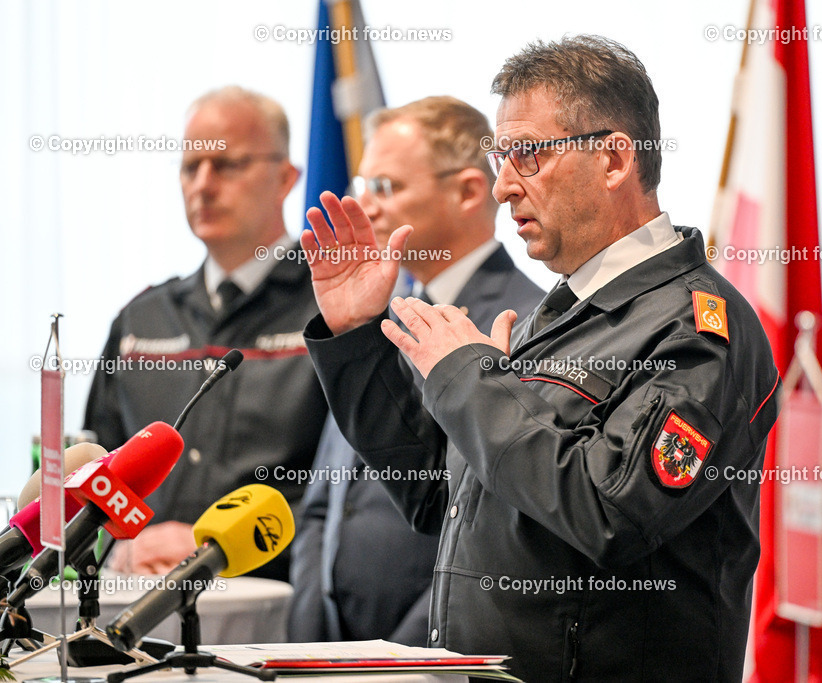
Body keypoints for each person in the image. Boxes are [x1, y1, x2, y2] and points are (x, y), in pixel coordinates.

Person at [302, 36, 780, 681]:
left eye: (525, 154)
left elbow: (609, 511)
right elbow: (438, 496)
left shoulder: (697, 328)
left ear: (613, 159)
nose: (503, 187)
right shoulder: (553, 316)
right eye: (501, 157)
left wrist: (470, 378)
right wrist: (358, 337)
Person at [287, 96, 543, 645]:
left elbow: (491, 517)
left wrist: (407, 657)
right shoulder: (368, 313)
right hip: (328, 643)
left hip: (432, 655)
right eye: (363, 183)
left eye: (387, 187)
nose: (365, 205)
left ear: (470, 190)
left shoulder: (525, 321)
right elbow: (323, 500)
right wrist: (310, 625)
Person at [84, 86, 326, 581]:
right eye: (190, 167)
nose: (203, 185)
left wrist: (209, 547)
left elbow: (357, 496)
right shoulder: (140, 319)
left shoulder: (332, 314)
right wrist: (119, 544)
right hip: (136, 603)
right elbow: (93, 471)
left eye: (227, 165)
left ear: (285, 177)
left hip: (282, 610)